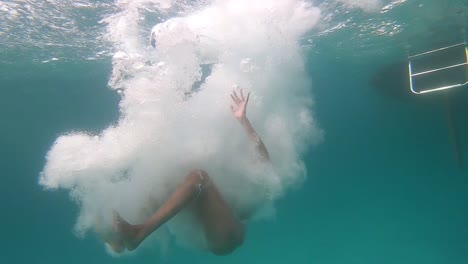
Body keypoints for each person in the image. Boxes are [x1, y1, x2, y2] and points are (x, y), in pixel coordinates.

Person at [106, 89, 271, 255]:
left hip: (228, 237)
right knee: (165, 182)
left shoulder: (248, 184)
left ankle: (138, 233)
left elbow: (264, 164)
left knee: (199, 178)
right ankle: (119, 240)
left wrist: (244, 121)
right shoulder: (215, 159)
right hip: (205, 233)